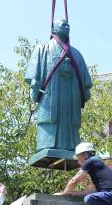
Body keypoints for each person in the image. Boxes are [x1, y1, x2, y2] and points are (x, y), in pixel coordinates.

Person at [25, 19, 92, 152]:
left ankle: (71, 146)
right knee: (51, 121)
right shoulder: (42, 49)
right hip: (51, 97)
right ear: (53, 28)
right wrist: (34, 85)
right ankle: (47, 144)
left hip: (70, 100)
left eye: (68, 25)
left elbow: (86, 85)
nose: (67, 26)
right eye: (63, 24)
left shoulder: (76, 54)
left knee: (70, 124)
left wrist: (84, 92)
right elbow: (33, 77)